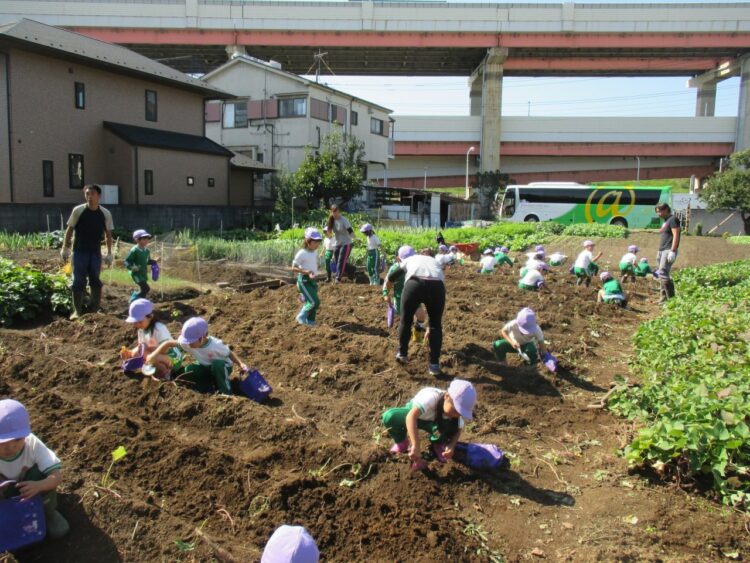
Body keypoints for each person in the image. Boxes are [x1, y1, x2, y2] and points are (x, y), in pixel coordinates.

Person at [0, 399, 69, 539]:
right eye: (2, 443)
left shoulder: (32, 445)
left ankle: (49, 513)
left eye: (17, 440)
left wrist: (39, 486)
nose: (10, 447)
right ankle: (14, 518)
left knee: (38, 473)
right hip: (9, 495)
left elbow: (56, 476)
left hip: (37, 491)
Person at [382, 379, 476, 468]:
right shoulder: (431, 397)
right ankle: (401, 442)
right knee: (390, 417)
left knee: (450, 427)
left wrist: (451, 445)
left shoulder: (455, 416)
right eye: (455, 409)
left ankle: (438, 443)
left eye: (460, 412)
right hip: (416, 415)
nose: (457, 414)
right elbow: (411, 417)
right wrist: (416, 445)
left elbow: (459, 429)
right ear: (446, 396)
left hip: (433, 424)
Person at [147, 317, 248, 396]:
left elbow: (229, 353)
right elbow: (168, 343)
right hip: (205, 366)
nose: (188, 344)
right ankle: (210, 385)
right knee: (188, 370)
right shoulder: (188, 343)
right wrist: (153, 355)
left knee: (218, 364)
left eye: (191, 342)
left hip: (223, 367)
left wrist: (240, 363)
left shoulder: (216, 345)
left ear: (202, 337)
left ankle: (226, 392)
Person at [386, 245, 446, 376]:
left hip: (415, 283)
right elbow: (440, 281)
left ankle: (402, 354)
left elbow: (392, 277)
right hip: (437, 286)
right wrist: (430, 327)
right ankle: (434, 365)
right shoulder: (434, 262)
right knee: (436, 325)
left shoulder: (410, 259)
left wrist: (387, 290)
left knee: (406, 320)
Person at [60, 184, 114, 320]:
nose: (89, 197)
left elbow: (108, 234)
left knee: (95, 279)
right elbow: (70, 229)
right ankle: (76, 311)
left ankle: (94, 309)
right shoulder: (78, 211)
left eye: (92, 194)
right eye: (87, 194)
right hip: (79, 251)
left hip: (95, 252)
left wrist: (109, 252)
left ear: (99, 196)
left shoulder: (105, 213)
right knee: (78, 280)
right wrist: (65, 248)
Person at [120, 298, 182, 380]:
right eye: (135, 322)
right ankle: (148, 369)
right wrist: (130, 354)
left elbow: (167, 349)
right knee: (136, 353)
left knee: (151, 358)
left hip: (173, 359)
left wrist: (150, 352)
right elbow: (141, 347)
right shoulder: (141, 330)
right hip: (156, 355)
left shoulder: (159, 328)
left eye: (140, 321)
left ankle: (165, 375)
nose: (137, 324)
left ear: (150, 316)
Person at [292, 228, 323, 326]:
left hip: (312, 281)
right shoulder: (302, 253)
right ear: (308, 241)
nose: (317, 244)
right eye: (315, 242)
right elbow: (293, 267)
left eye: (318, 242)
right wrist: (307, 272)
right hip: (304, 280)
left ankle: (310, 321)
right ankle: (301, 317)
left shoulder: (314, 252)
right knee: (315, 302)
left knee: (311, 301)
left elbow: (313, 263)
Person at [124, 229, 159, 303]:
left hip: (143, 273)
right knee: (146, 288)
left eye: (147, 238)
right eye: (144, 239)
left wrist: (154, 261)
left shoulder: (147, 251)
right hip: (136, 274)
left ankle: (140, 302)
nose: (146, 240)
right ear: (137, 240)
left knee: (144, 289)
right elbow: (126, 261)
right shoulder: (134, 250)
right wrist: (131, 268)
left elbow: (147, 262)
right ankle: (133, 300)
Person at [655, 202, 680, 303]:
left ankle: (671, 299)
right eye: (657, 212)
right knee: (661, 274)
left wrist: (672, 251)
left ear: (666, 210)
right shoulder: (666, 221)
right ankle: (663, 297)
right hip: (661, 250)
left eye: (660, 211)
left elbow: (676, 235)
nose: (658, 214)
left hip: (668, 249)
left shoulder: (673, 219)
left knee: (663, 272)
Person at [327, 204, 354, 283]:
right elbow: (329, 232)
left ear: (339, 212)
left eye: (337, 212)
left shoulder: (343, 220)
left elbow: (350, 230)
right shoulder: (331, 220)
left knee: (341, 261)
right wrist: (329, 237)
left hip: (346, 243)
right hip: (337, 243)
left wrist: (355, 238)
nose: (336, 214)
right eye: (334, 212)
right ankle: (352, 269)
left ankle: (338, 278)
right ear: (331, 212)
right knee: (337, 261)